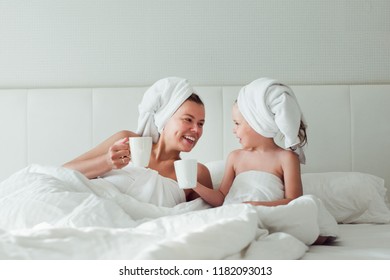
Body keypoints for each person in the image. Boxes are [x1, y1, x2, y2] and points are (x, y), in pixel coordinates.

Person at [63, 77, 213, 205]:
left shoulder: (198, 173)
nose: (196, 130)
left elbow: (200, 218)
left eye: (201, 123)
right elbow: (64, 172)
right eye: (188, 120)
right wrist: (106, 162)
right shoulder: (126, 141)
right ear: (164, 120)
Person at [193, 77, 307, 207]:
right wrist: (193, 184)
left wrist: (254, 206)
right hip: (233, 214)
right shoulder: (235, 157)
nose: (233, 130)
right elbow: (221, 199)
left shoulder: (287, 158)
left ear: (257, 124)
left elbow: (295, 202)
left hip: (264, 216)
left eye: (237, 123)